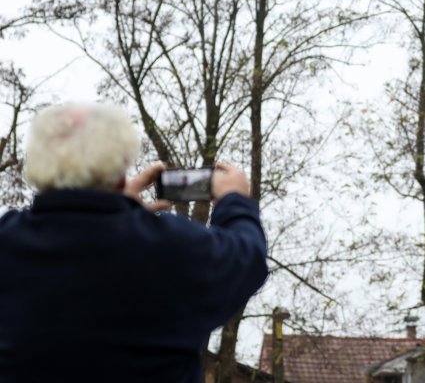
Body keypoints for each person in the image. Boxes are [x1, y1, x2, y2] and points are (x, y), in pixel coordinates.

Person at [0, 103, 268, 383]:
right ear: (121, 163)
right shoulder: (171, 249)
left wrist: (116, 204)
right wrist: (234, 200)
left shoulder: (7, 244)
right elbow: (247, 259)